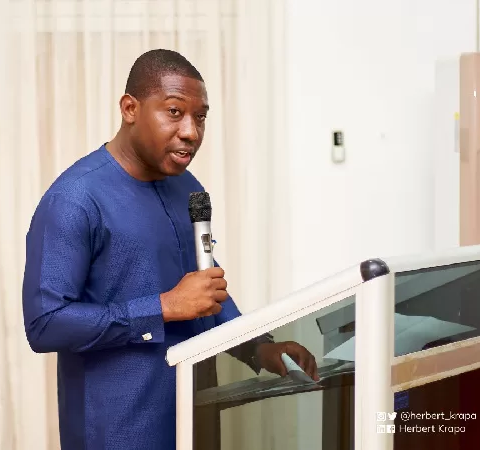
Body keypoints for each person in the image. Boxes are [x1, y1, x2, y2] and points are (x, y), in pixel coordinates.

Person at [22, 49, 318, 450]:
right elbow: (45, 324)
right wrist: (162, 307)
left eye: (201, 117)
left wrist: (257, 347)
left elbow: (204, 287)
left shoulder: (188, 188)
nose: (191, 132)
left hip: (196, 419)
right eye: (175, 112)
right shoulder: (74, 199)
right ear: (130, 108)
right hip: (118, 433)